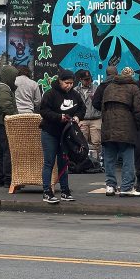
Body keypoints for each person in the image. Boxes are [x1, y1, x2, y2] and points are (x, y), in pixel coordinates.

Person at [38, 69, 85, 204]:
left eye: (71, 83)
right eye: (66, 83)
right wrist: (59, 117)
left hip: (66, 134)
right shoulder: (50, 94)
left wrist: (77, 117)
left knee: (63, 163)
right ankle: (47, 192)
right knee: (49, 162)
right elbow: (43, 111)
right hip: (50, 132)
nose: (69, 85)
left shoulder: (75, 94)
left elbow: (82, 108)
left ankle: (65, 191)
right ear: (59, 81)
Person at [101, 67, 140, 196]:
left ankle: (110, 186)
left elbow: (103, 109)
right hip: (126, 127)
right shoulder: (133, 88)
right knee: (128, 158)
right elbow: (138, 110)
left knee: (109, 158)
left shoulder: (109, 87)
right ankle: (126, 186)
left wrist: (106, 123)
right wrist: (137, 126)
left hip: (108, 126)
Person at [0, 65, 18, 187]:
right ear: (9, 77)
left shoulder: (0, 87)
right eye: (14, 77)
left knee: (0, 152)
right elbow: (6, 106)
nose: (15, 80)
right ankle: (8, 179)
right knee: (8, 151)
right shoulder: (4, 89)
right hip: (4, 124)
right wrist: (14, 116)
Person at [74, 70, 102, 161]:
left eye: (89, 79)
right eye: (85, 80)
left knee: (96, 141)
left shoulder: (97, 88)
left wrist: (95, 99)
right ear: (81, 80)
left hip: (96, 118)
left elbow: (102, 103)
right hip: (83, 119)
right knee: (82, 141)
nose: (88, 81)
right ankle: (83, 161)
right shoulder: (75, 90)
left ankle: (96, 161)